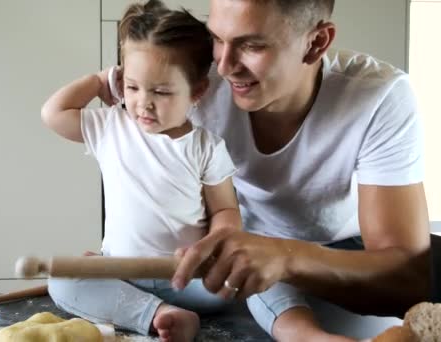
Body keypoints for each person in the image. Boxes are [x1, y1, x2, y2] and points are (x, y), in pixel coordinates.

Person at [170, 0, 431, 341]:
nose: (224, 66)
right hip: (244, 251)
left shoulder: (378, 96)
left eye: (251, 45)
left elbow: (407, 276)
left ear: (316, 43)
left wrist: (285, 257)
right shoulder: (198, 82)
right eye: (217, 38)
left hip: (346, 253)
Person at [41, 1, 243, 340]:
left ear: (197, 91)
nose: (143, 103)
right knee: (61, 277)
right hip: (120, 272)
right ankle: (160, 315)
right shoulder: (111, 127)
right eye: (132, 87)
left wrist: (210, 246)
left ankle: (153, 309)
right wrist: (97, 80)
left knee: (231, 285)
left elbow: (225, 210)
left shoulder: (206, 146)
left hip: (185, 276)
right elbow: (53, 113)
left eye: (161, 92)